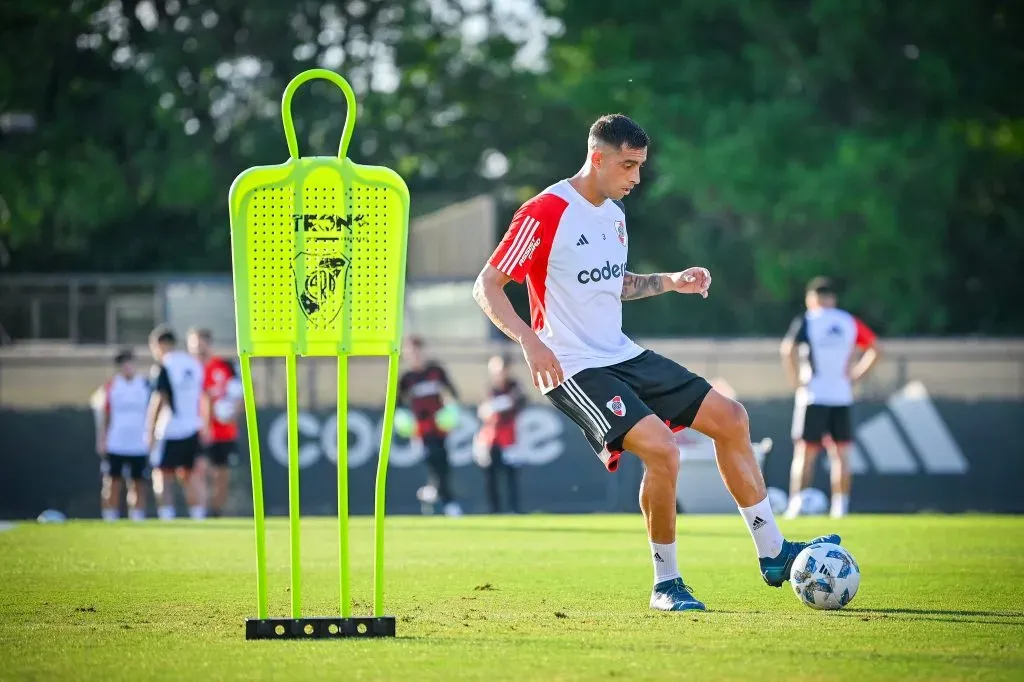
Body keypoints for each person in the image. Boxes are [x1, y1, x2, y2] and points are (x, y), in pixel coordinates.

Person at [472, 113, 840, 612]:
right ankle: (666, 583)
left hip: (622, 352)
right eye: (628, 166)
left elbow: (611, 281)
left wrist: (669, 280)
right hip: (572, 366)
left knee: (732, 419)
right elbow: (487, 285)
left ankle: (773, 554)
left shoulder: (614, 214)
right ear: (597, 158)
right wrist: (528, 341)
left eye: (640, 166)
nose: (636, 178)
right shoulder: (545, 211)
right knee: (664, 451)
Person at [779, 277, 881, 519]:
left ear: (811, 299)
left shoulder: (808, 319)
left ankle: (796, 504)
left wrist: (796, 382)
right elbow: (876, 348)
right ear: (832, 298)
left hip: (813, 396)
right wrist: (856, 375)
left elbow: (787, 349)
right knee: (841, 455)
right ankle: (840, 506)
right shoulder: (848, 321)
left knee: (805, 454)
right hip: (841, 397)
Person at [145, 325, 206, 521]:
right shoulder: (194, 364)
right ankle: (198, 517)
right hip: (193, 427)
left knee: (162, 475)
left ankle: (167, 517)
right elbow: (203, 397)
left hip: (170, 429)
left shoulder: (164, 366)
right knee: (190, 476)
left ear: (160, 345)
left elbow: (159, 400)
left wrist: (150, 430)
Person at [398, 336, 463, 517]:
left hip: (440, 427)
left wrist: (450, 411)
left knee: (443, 462)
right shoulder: (407, 379)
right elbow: (396, 404)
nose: (415, 356)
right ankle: (447, 502)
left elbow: (452, 393)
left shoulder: (436, 371)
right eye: (410, 353)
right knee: (433, 459)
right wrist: (406, 423)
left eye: (417, 351)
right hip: (422, 430)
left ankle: (431, 492)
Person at [188, 327, 243, 519]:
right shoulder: (187, 370)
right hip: (193, 430)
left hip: (223, 432)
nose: (199, 350)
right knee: (196, 471)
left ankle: (215, 513)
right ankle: (199, 511)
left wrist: (233, 411)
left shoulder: (224, 366)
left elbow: (240, 395)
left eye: (202, 346)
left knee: (221, 475)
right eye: (195, 346)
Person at [94, 349, 151, 521]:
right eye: (124, 364)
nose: (128, 367)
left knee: (138, 484)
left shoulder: (145, 385)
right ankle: (110, 517)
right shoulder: (110, 386)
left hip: (139, 443)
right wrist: (102, 439)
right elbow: (103, 415)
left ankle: (137, 517)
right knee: (112, 482)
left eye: (130, 362)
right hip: (116, 442)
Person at [474, 353, 526, 514]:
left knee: (511, 474)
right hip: (491, 437)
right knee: (491, 475)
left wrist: (503, 404)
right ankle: (493, 510)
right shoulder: (489, 388)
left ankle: (514, 509)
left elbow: (520, 403)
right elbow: (483, 411)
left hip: (510, 437)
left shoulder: (514, 387)